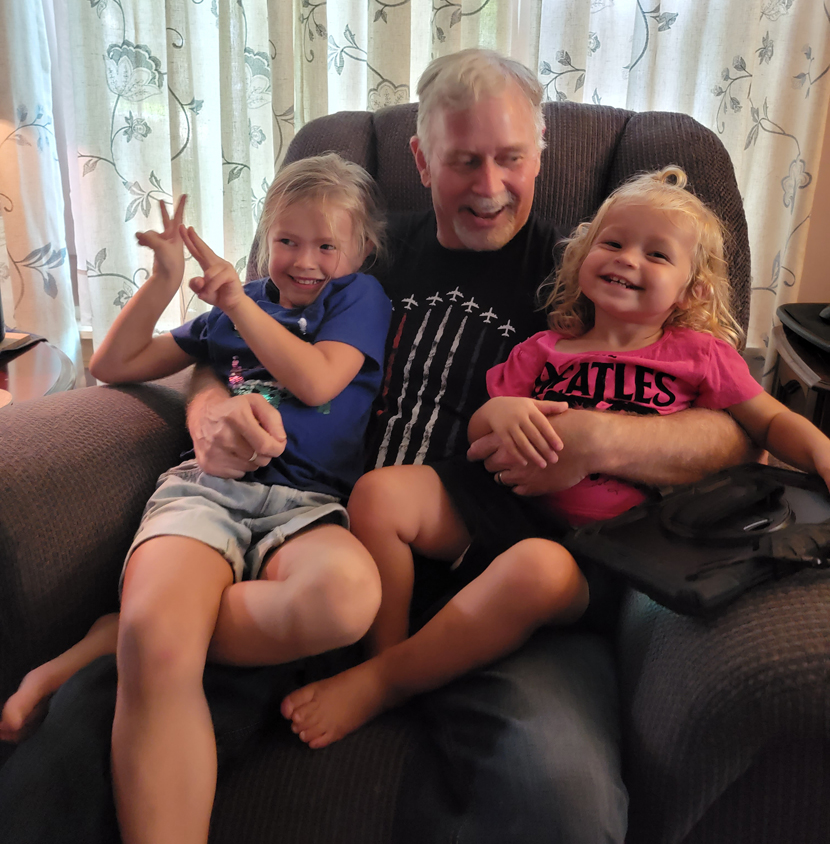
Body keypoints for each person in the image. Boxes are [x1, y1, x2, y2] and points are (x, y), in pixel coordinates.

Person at [0, 49, 753, 844]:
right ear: (421, 161)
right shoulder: (353, 249)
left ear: (542, 156)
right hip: (308, 540)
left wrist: (604, 435)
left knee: (561, 791)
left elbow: (734, 425)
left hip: (490, 592)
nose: (491, 186)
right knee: (80, 743)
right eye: (464, 161)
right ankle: (131, 635)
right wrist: (213, 411)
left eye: (511, 158)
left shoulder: (588, 272)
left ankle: (128, 630)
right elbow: (239, 341)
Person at [278, 165, 830, 750]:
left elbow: (767, 422)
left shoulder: (701, 355)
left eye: (656, 255)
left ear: (693, 290)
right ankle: (385, 656)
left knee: (535, 568)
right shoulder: (545, 347)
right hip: (508, 507)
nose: (628, 260)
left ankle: (387, 682)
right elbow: (483, 422)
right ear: (583, 256)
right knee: (379, 493)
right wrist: (502, 414)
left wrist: (821, 450)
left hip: (609, 549)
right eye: (613, 243)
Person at [1, 153, 391, 844]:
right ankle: (144, 632)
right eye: (287, 240)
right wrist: (163, 282)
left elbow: (318, 381)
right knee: (157, 643)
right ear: (266, 238)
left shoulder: (357, 298)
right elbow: (112, 365)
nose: (305, 261)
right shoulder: (234, 309)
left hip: (305, 505)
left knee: (347, 599)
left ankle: (122, 633)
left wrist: (237, 302)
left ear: (361, 251)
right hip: (206, 492)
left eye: (327, 245)